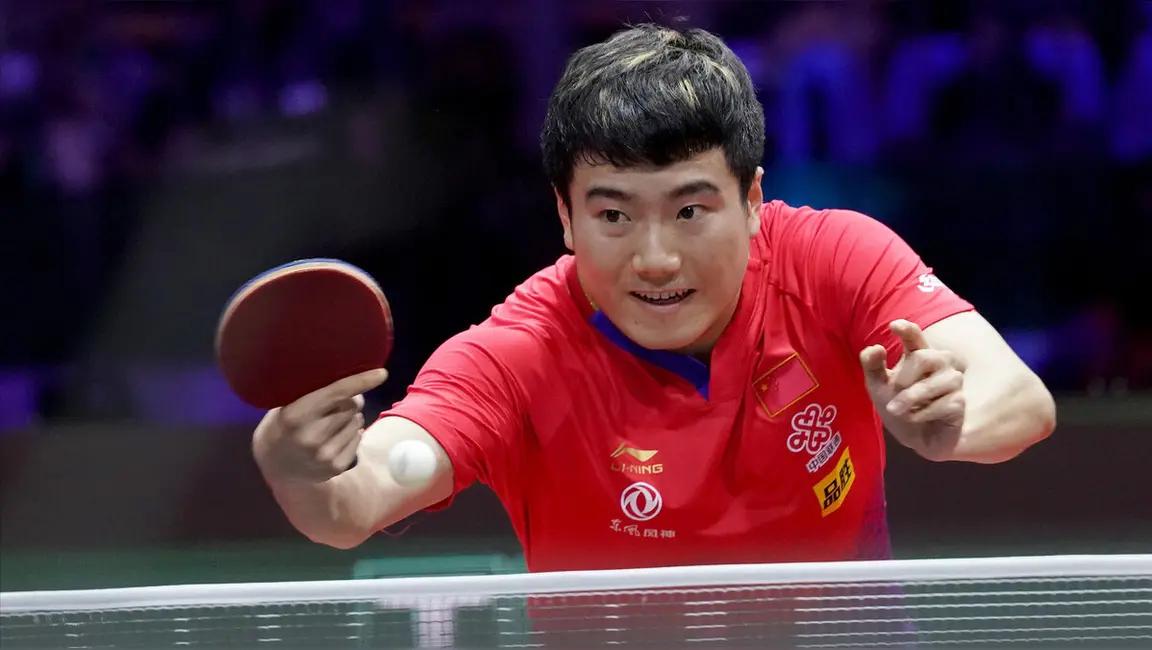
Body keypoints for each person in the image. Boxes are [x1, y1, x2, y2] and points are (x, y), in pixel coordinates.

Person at [251, 24, 1055, 572]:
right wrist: (296, 467)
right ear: (565, 217)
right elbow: (355, 501)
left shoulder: (832, 260)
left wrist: (951, 427)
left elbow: (1020, 400)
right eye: (613, 216)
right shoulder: (517, 356)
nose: (657, 258)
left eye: (691, 210)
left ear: (752, 200)